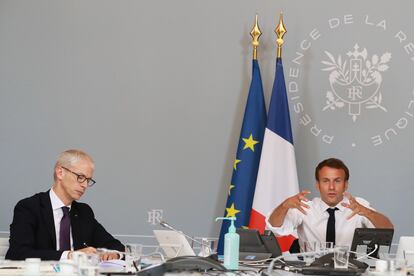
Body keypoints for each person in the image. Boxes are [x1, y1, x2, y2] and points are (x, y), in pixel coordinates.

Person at [6, 149, 125, 260]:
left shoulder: (84, 212)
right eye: (80, 177)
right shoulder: (29, 207)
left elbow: (116, 246)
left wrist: (114, 253)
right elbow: (17, 253)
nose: (84, 185)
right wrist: (70, 255)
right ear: (60, 172)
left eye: (88, 180)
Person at [266, 158, 393, 248]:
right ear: (318, 185)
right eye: (326, 181)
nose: (331, 187)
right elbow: (275, 229)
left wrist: (367, 212)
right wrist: (283, 206)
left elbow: (388, 230)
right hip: (311, 271)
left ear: (346, 185)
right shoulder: (305, 207)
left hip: (351, 271)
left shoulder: (358, 205)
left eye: (337, 181)